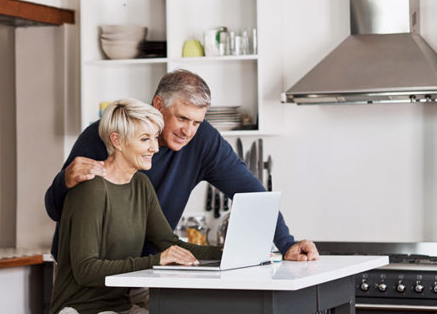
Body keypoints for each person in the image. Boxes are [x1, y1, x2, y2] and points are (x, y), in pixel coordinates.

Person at [48, 98, 225, 314]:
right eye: (145, 139)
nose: (155, 148)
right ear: (116, 140)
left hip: (118, 309)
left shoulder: (141, 186)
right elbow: (86, 269)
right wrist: (157, 260)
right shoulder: (91, 188)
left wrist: (233, 253)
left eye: (154, 138)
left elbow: (172, 245)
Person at [45, 69, 319, 262]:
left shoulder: (203, 141)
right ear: (158, 105)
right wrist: (65, 180)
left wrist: (286, 244)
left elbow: (253, 194)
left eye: (197, 122)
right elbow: (55, 209)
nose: (188, 131)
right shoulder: (106, 135)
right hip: (88, 277)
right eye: (182, 119)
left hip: (147, 269)